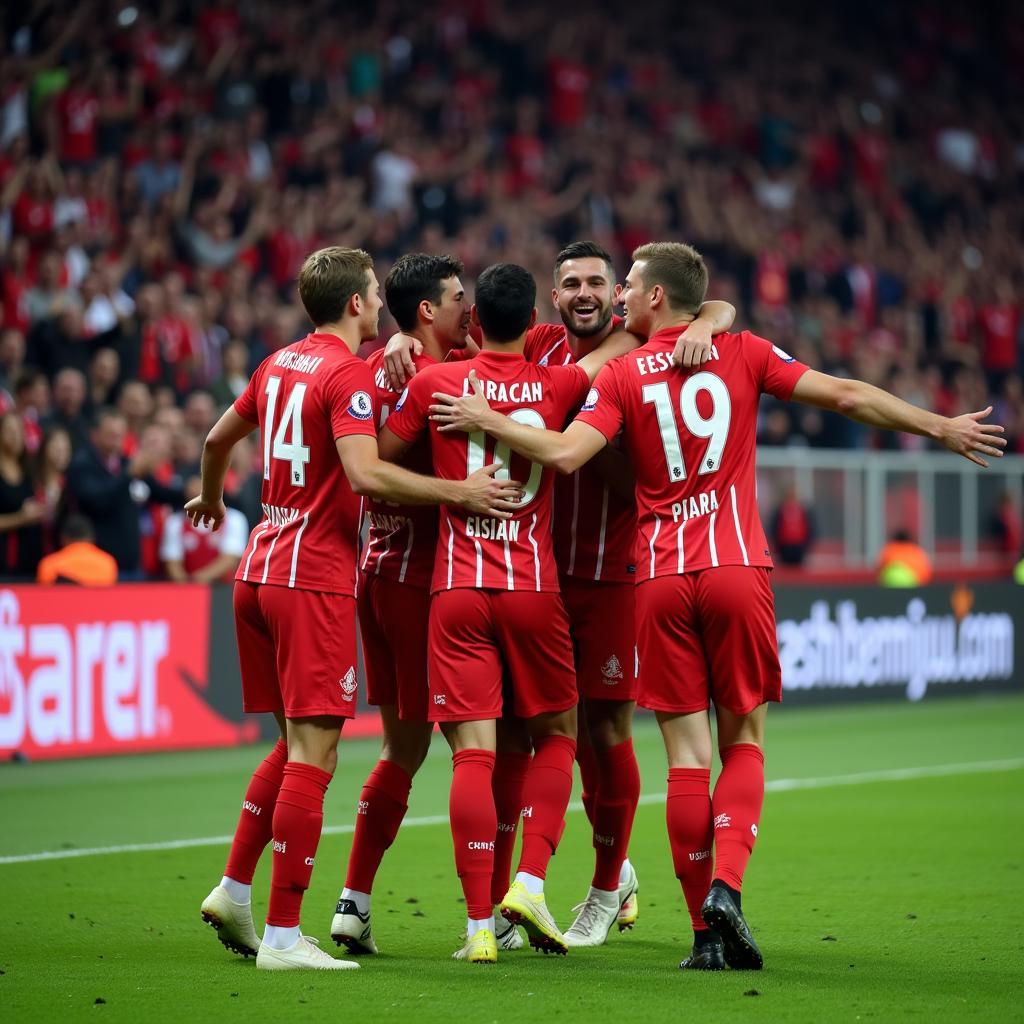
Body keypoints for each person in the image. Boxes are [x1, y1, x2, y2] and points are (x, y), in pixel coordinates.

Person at [429, 241, 1005, 972]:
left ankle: (697, 932)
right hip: (732, 564)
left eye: (624, 286)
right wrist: (940, 426)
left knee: (682, 761)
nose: (613, 298)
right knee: (744, 741)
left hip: (654, 576)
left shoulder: (625, 371)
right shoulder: (737, 349)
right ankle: (724, 890)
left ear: (652, 299)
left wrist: (492, 419)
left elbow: (567, 453)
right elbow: (850, 396)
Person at [382, 242, 735, 945]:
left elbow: (716, 306)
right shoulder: (546, 349)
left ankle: (608, 887)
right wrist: (399, 335)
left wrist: (707, 323)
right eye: (570, 282)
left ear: (622, 294)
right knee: (518, 739)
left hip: (608, 575)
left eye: (598, 283)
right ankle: (509, 903)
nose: (584, 293)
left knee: (603, 734)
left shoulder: (641, 350)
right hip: (537, 580)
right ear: (550, 297)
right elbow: (464, 339)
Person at [186, 246, 522, 972]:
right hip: (319, 576)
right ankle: (282, 935)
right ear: (356, 304)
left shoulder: (280, 362)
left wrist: (213, 499)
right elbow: (367, 474)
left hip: (261, 569)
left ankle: (237, 889)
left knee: (295, 747)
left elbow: (217, 439)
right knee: (321, 752)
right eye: (372, 295)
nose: (377, 305)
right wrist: (464, 494)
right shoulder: (352, 375)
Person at [380, 262, 633, 964]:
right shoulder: (559, 384)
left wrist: (401, 348)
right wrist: (709, 317)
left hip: (455, 592)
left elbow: (380, 461)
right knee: (560, 735)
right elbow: (626, 342)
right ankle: (528, 881)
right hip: (534, 590)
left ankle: (478, 928)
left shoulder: (435, 383)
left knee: (473, 754)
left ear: (475, 321)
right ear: (535, 320)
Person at [331, 253, 472, 955]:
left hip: (375, 576)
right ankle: (494, 911)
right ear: (425, 310)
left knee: (404, 746)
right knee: (477, 745)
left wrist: (393, 340)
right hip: (421, 582)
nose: (467, 305)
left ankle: (353, 902)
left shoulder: (380, 372)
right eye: (456, 296)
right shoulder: (434, 379)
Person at [64, 408, 183, 579]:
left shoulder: (125, 462)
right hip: (98, 564)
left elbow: (159, 492)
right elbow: (97, 499)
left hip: (132, 564)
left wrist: (189, 492)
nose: (117, 440)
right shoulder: (82, 465)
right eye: (111, 434)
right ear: (95, 435)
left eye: (120, 435)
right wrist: (128, 475)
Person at [161, 475, 249, 583]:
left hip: (224, 589)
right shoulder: (175, 522)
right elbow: (172, 561)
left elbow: (231, 558)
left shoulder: (234, 519)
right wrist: (185, 584)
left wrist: (200, 579)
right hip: (188, 588)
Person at [0, 411, 44, 578]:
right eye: (10, 431)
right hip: (4, 560)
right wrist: (21, 518)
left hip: (30, 558)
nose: (16, 436)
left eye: (20, 431)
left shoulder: (29, 470)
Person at [36, 513, 117, 585]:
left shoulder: (49, 564)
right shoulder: (107, 562)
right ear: (92, 537)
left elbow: (44, 598)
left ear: (63, 538)